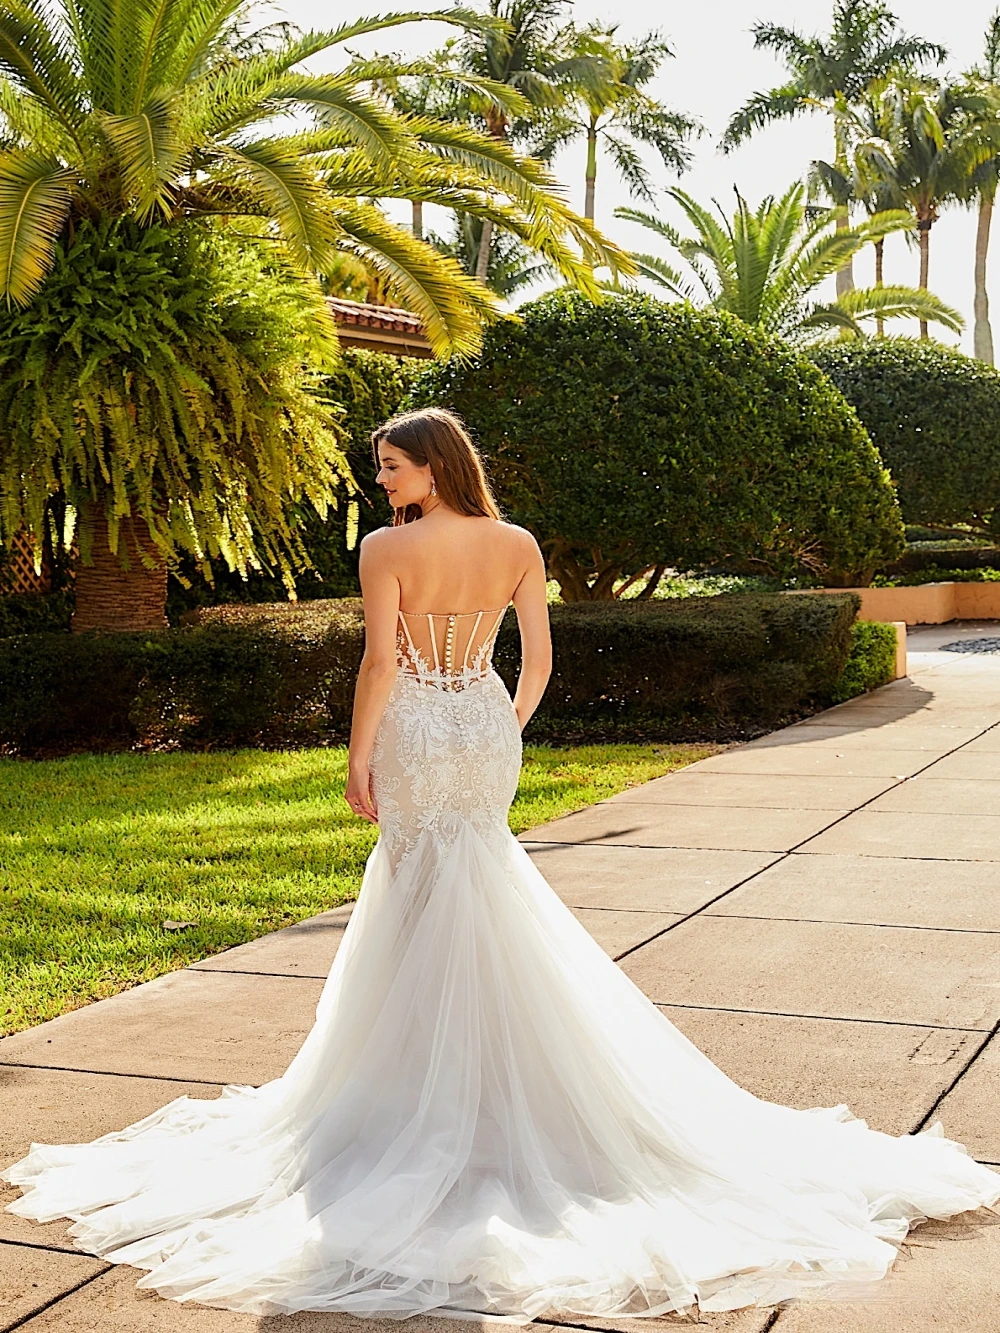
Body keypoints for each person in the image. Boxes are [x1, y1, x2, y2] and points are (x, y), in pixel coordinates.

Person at [4, 408, 998, 1322]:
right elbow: (540, 658)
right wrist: (502, 720)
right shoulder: (515, 543)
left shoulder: (387, 547)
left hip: (417, 726)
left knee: (422, 896)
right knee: (478, 885)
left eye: (391, 465)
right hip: (481, 724)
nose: (379, 480)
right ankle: (474, 1089)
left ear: (434, 467)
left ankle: (426, 1099)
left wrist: (360, 753)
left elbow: (382, 662)